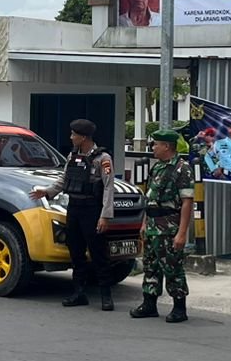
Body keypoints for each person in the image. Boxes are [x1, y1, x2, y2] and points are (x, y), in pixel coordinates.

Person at [31, 118, 118, 311]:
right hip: (75, 208)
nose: (71, 137)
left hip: (92, 209)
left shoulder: (103, 158)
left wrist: (105, 215)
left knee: (98, 253)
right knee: (76, 251)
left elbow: (108, 187)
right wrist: (47, 191)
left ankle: (106, 295)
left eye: (74, 134)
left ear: (84, 137)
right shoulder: (73, 156)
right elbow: (64, 179)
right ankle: (78, 293)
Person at [131, 129, 195, 323]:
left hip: (169, 225)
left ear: (167, 146)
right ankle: (149, 303)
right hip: (152, 224)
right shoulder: (157, 167)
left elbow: (187, 202)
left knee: (172, 266)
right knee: (151, 266)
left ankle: (179, 307)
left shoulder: (182, 168)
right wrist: (143, 223)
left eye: (156, 144)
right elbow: (149, 199)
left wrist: (182, 233)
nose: (153, 147)